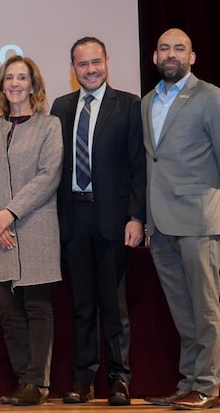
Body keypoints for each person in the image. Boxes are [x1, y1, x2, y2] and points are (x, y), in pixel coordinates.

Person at [141, 28, 220, 411]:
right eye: (165, 48)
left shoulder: (211, 97)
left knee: (205, 307)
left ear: (192, 57)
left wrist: (215, 193)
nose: (171, 54)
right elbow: (153, 162)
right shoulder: (148, 102)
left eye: (180, 48)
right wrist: (147, 222)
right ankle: (188, 383)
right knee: (183, 310)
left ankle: (208, 388)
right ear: (155, 57)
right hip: (161, 224)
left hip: (200, 217)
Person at [51, 37, 144, 406]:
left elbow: (139, 166)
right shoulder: (61, 107)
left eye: (95, 62)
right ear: (73, 68)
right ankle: (83, 379)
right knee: (81, 303)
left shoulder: (129, 105)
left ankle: (120, 379)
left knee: (114, 303)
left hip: (113, 219)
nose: (90, 69)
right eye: (82, 64)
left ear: (107, 62)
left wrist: (137, 216)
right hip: (73, 216)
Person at [0, 55, 63, 406]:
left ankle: (36, 383)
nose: (14, 83)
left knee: (37, 307)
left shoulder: (50, 125)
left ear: (33, 85)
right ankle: (23, 380)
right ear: (1, 86)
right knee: (8, 311)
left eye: (21, 77)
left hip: (36, 225)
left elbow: (49, 175)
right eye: (8, 78)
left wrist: (11, 212)